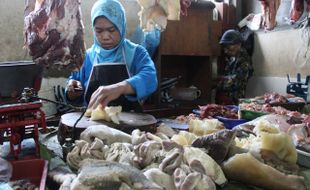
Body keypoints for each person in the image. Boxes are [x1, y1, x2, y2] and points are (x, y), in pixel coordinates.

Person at [65, 0, 158, 111]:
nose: (105, 37)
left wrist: (119, 88)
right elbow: (73, 87)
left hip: (130, 123)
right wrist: (71, 91)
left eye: (111, 30)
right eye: (99, 31)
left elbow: (150, 78)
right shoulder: (86, 57)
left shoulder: (136, 53)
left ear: (121, 26)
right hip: (94, 125)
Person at [215, 29, 253, 105]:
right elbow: (227, 76)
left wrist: (216, 83)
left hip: (234, 102)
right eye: (224, 47)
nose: (225, 51)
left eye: (228, 46)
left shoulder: (244, 60)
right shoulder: (233, 57)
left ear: (238, 44)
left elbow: (236, 82)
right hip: (225, 100)